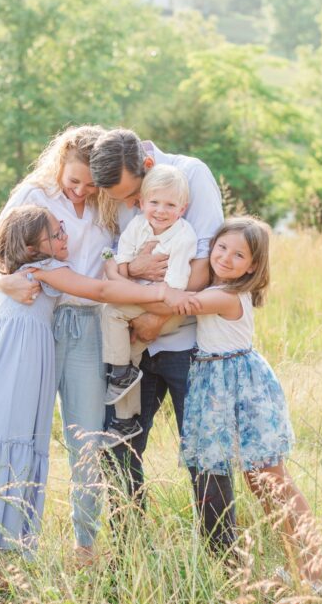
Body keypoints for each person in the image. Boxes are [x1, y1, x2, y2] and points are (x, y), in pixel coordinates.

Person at [0, 205, 196, 600]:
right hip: (13, 371)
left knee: (2, 455)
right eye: (56, 234)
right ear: (32, 246)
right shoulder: (42, 270)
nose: (64, 237)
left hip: (14, 366)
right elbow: (103, 291)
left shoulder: (26, 273)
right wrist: (161, 291)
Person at [0, 125, 118, 563]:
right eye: (73, 180)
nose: (79, 192)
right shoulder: (34, 195)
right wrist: (5, 283)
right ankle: (8, 546)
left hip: (88, 324)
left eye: (91, 185)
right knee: (20, 432)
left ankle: (85, 545)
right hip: (35, 320)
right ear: (60, 162)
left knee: (87, 438)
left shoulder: (109, 206)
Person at [87, 128, 226, 519]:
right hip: (131, 337)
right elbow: (110, 259)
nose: (132, 205)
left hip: (187, 341)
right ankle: (130, 554)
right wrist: (131, 268)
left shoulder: (192, 175)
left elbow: (206, 265)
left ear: (148, 166)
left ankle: (224, 560)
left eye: (134, 196)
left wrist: (156, 318)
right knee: (120, 447)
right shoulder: (113, 189)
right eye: (126, 201)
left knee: (204, 453)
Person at [182, 217, 322, 588]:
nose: (226, 258)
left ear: (253, 266)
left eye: (239, 254)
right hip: (217, 386)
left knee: (271, 481)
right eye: (221, 248)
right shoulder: (219, 286)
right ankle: (298, 569)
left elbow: (183, 303)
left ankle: (316, 569)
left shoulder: (225, 296)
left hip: (242, 389)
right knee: (258, 483)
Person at [101, 164, 197, 444]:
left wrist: (128, 285)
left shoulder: (183, 237)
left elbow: (173, 288)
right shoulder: (138, 225)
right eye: (154, 202)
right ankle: (125, 418)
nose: (161, 210)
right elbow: (121, 262)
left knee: (112, 314)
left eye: (170, 204)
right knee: (129, 352)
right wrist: (129, 270)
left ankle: (120, 372)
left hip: (167, 310)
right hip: (144, 298)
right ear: (141, 203)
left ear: (182, 208)